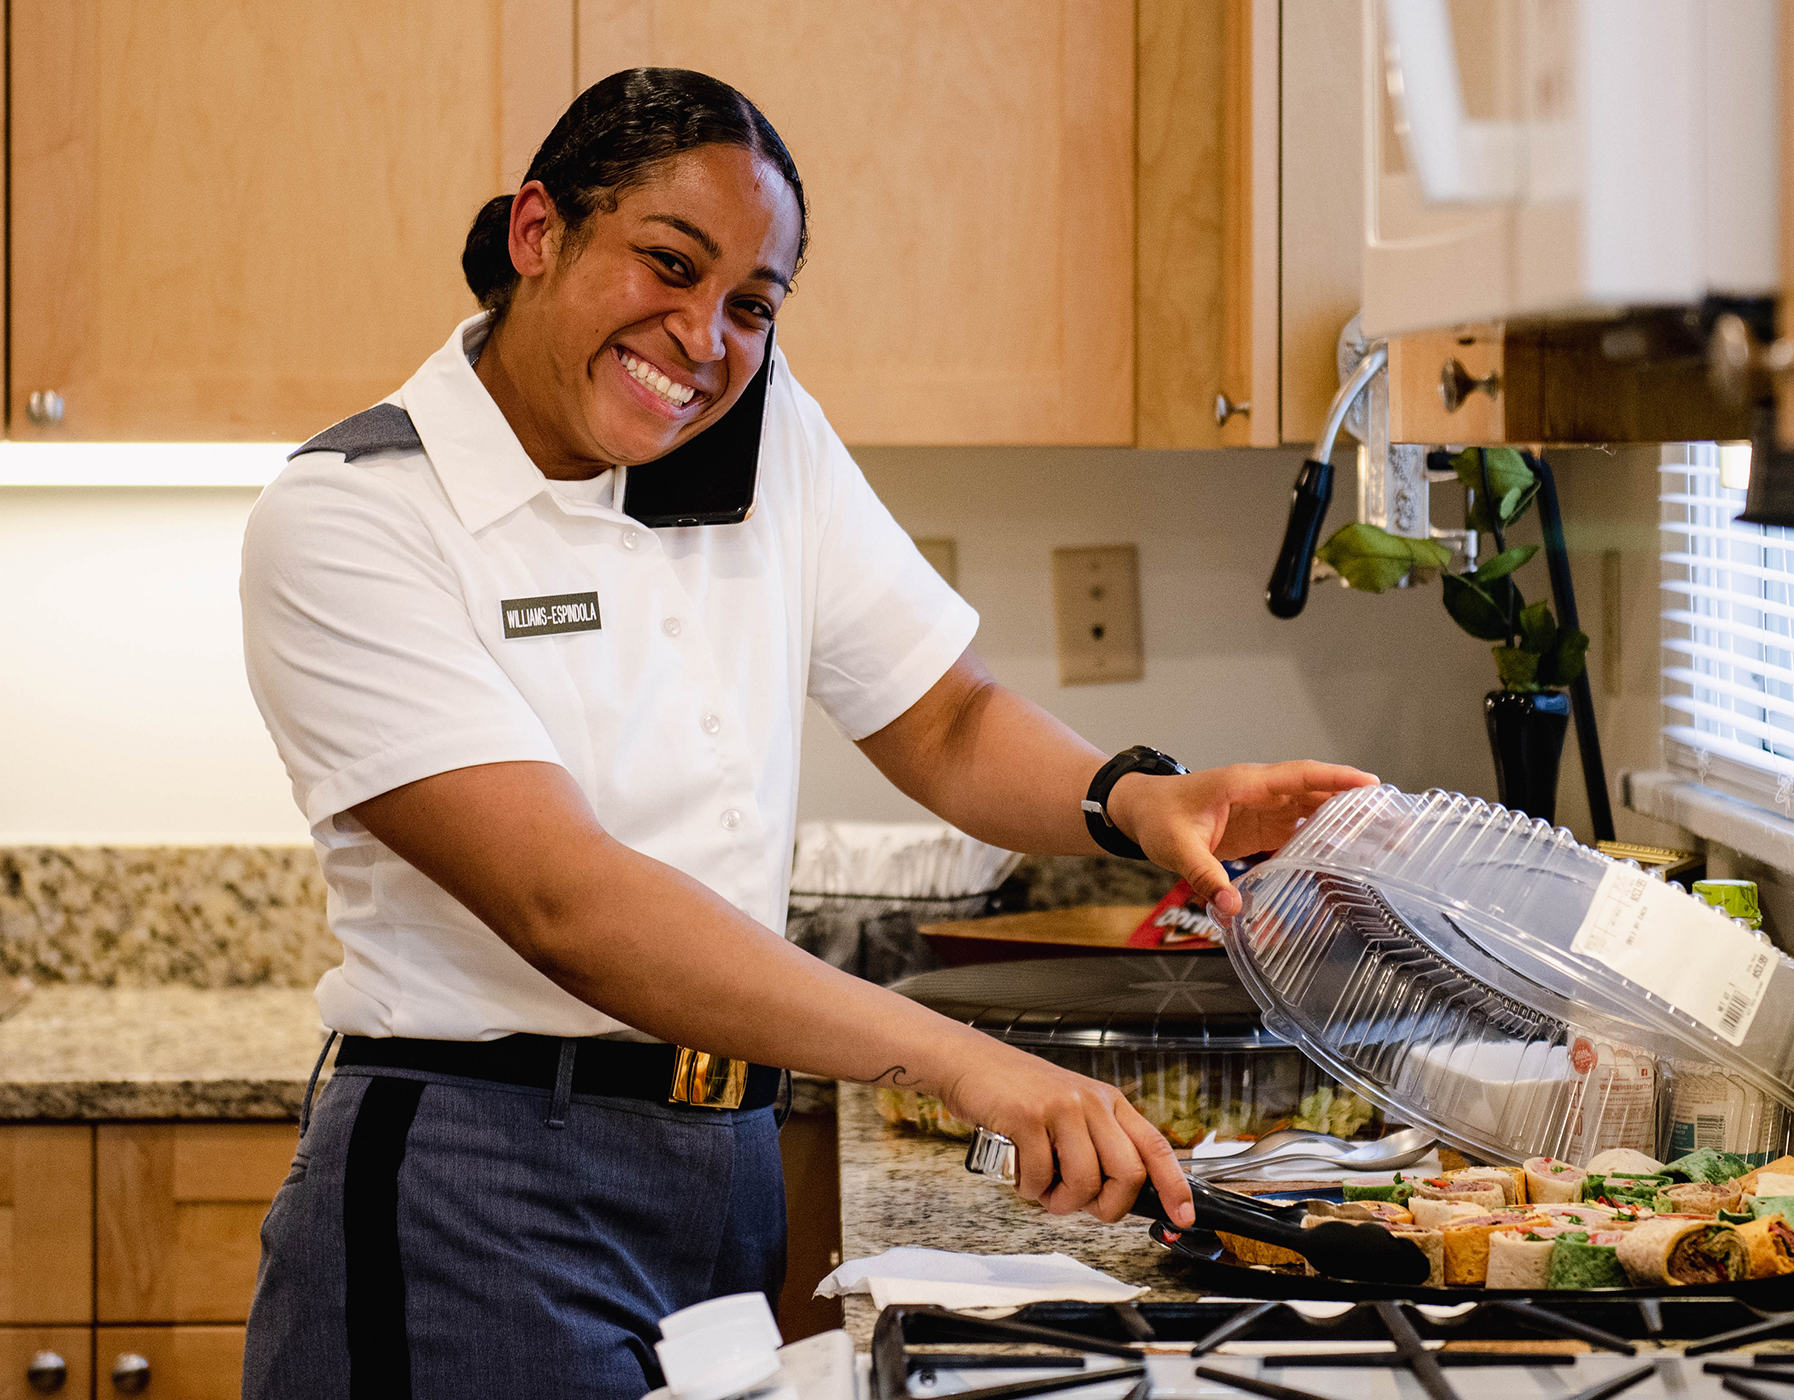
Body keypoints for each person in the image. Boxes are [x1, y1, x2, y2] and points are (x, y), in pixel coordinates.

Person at [238, 67, 1372, 1398]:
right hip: (477, 1189)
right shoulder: (358, 515)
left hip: (726, 1175)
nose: (702, 337)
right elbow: (567, 902)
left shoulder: (763, 434)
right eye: (670, 265)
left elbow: (944, 715)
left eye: (752, 305)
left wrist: (1131, 801)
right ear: (540, 232)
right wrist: (965, 1066)